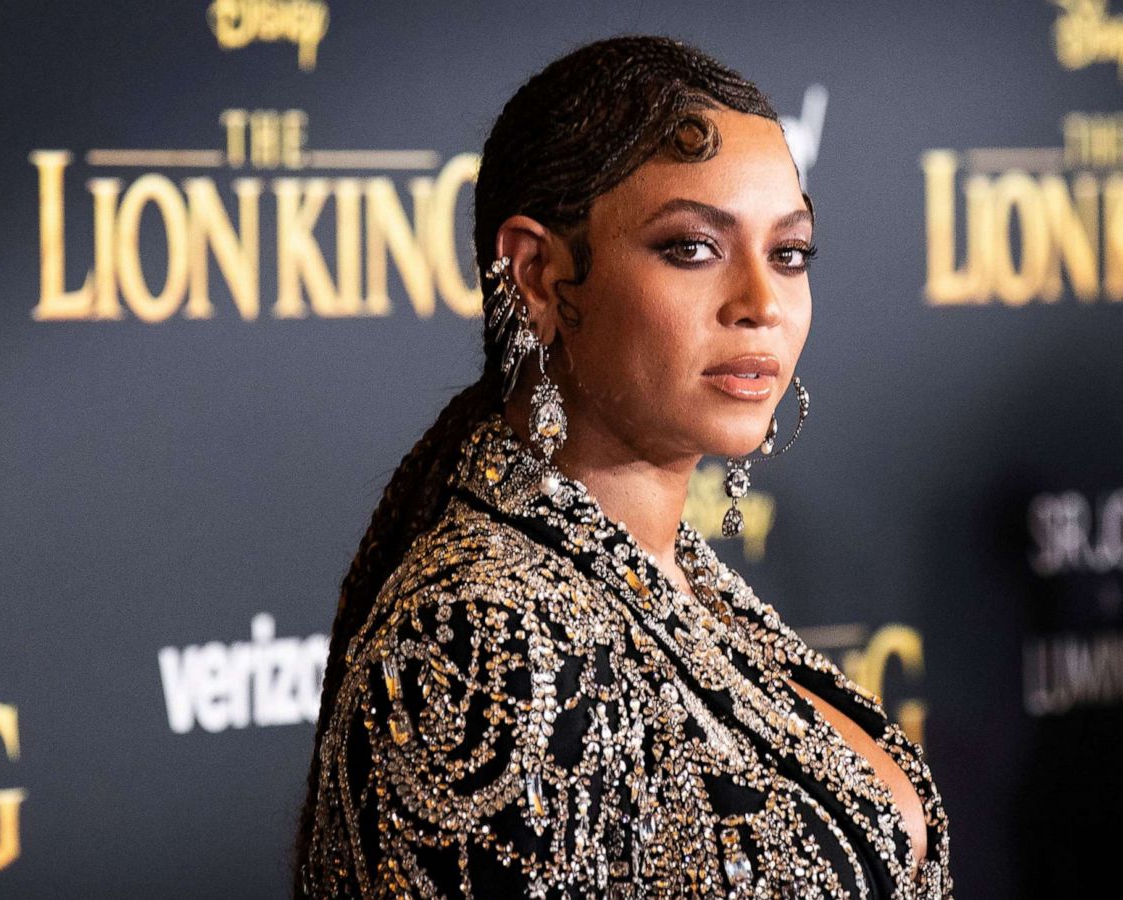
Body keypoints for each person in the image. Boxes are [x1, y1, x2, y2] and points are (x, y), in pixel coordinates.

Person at [291, 34, 953, 899]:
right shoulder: (479, 641)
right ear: (536, 273)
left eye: (789, 254)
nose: (762, 304)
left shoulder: (673, 576)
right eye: (692, 247)